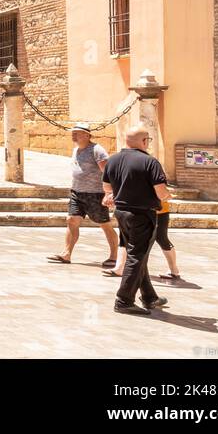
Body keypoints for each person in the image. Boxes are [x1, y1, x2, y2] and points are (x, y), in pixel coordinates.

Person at [102, 126, 171, 314]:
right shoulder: (150, 162)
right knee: (137, 256)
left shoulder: (113, 159)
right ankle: (124, 300)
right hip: (142, 215)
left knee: (138, 255)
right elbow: (161, 192)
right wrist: (167, 196)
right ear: (144, 141)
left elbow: (107, 187)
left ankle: (150, 297)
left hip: (121, 213)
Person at [47, 123, 117, 267]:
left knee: (105, 225)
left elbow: (108, 172)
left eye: (77, 133)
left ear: (87, 135)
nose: (73, 135)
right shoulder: (76, 150)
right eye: (73, 132)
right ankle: (66, 254)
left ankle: (114, 256)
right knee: (71, 220)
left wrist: (109, 193)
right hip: (76, 193)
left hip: (95, 194)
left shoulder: (97, 150)